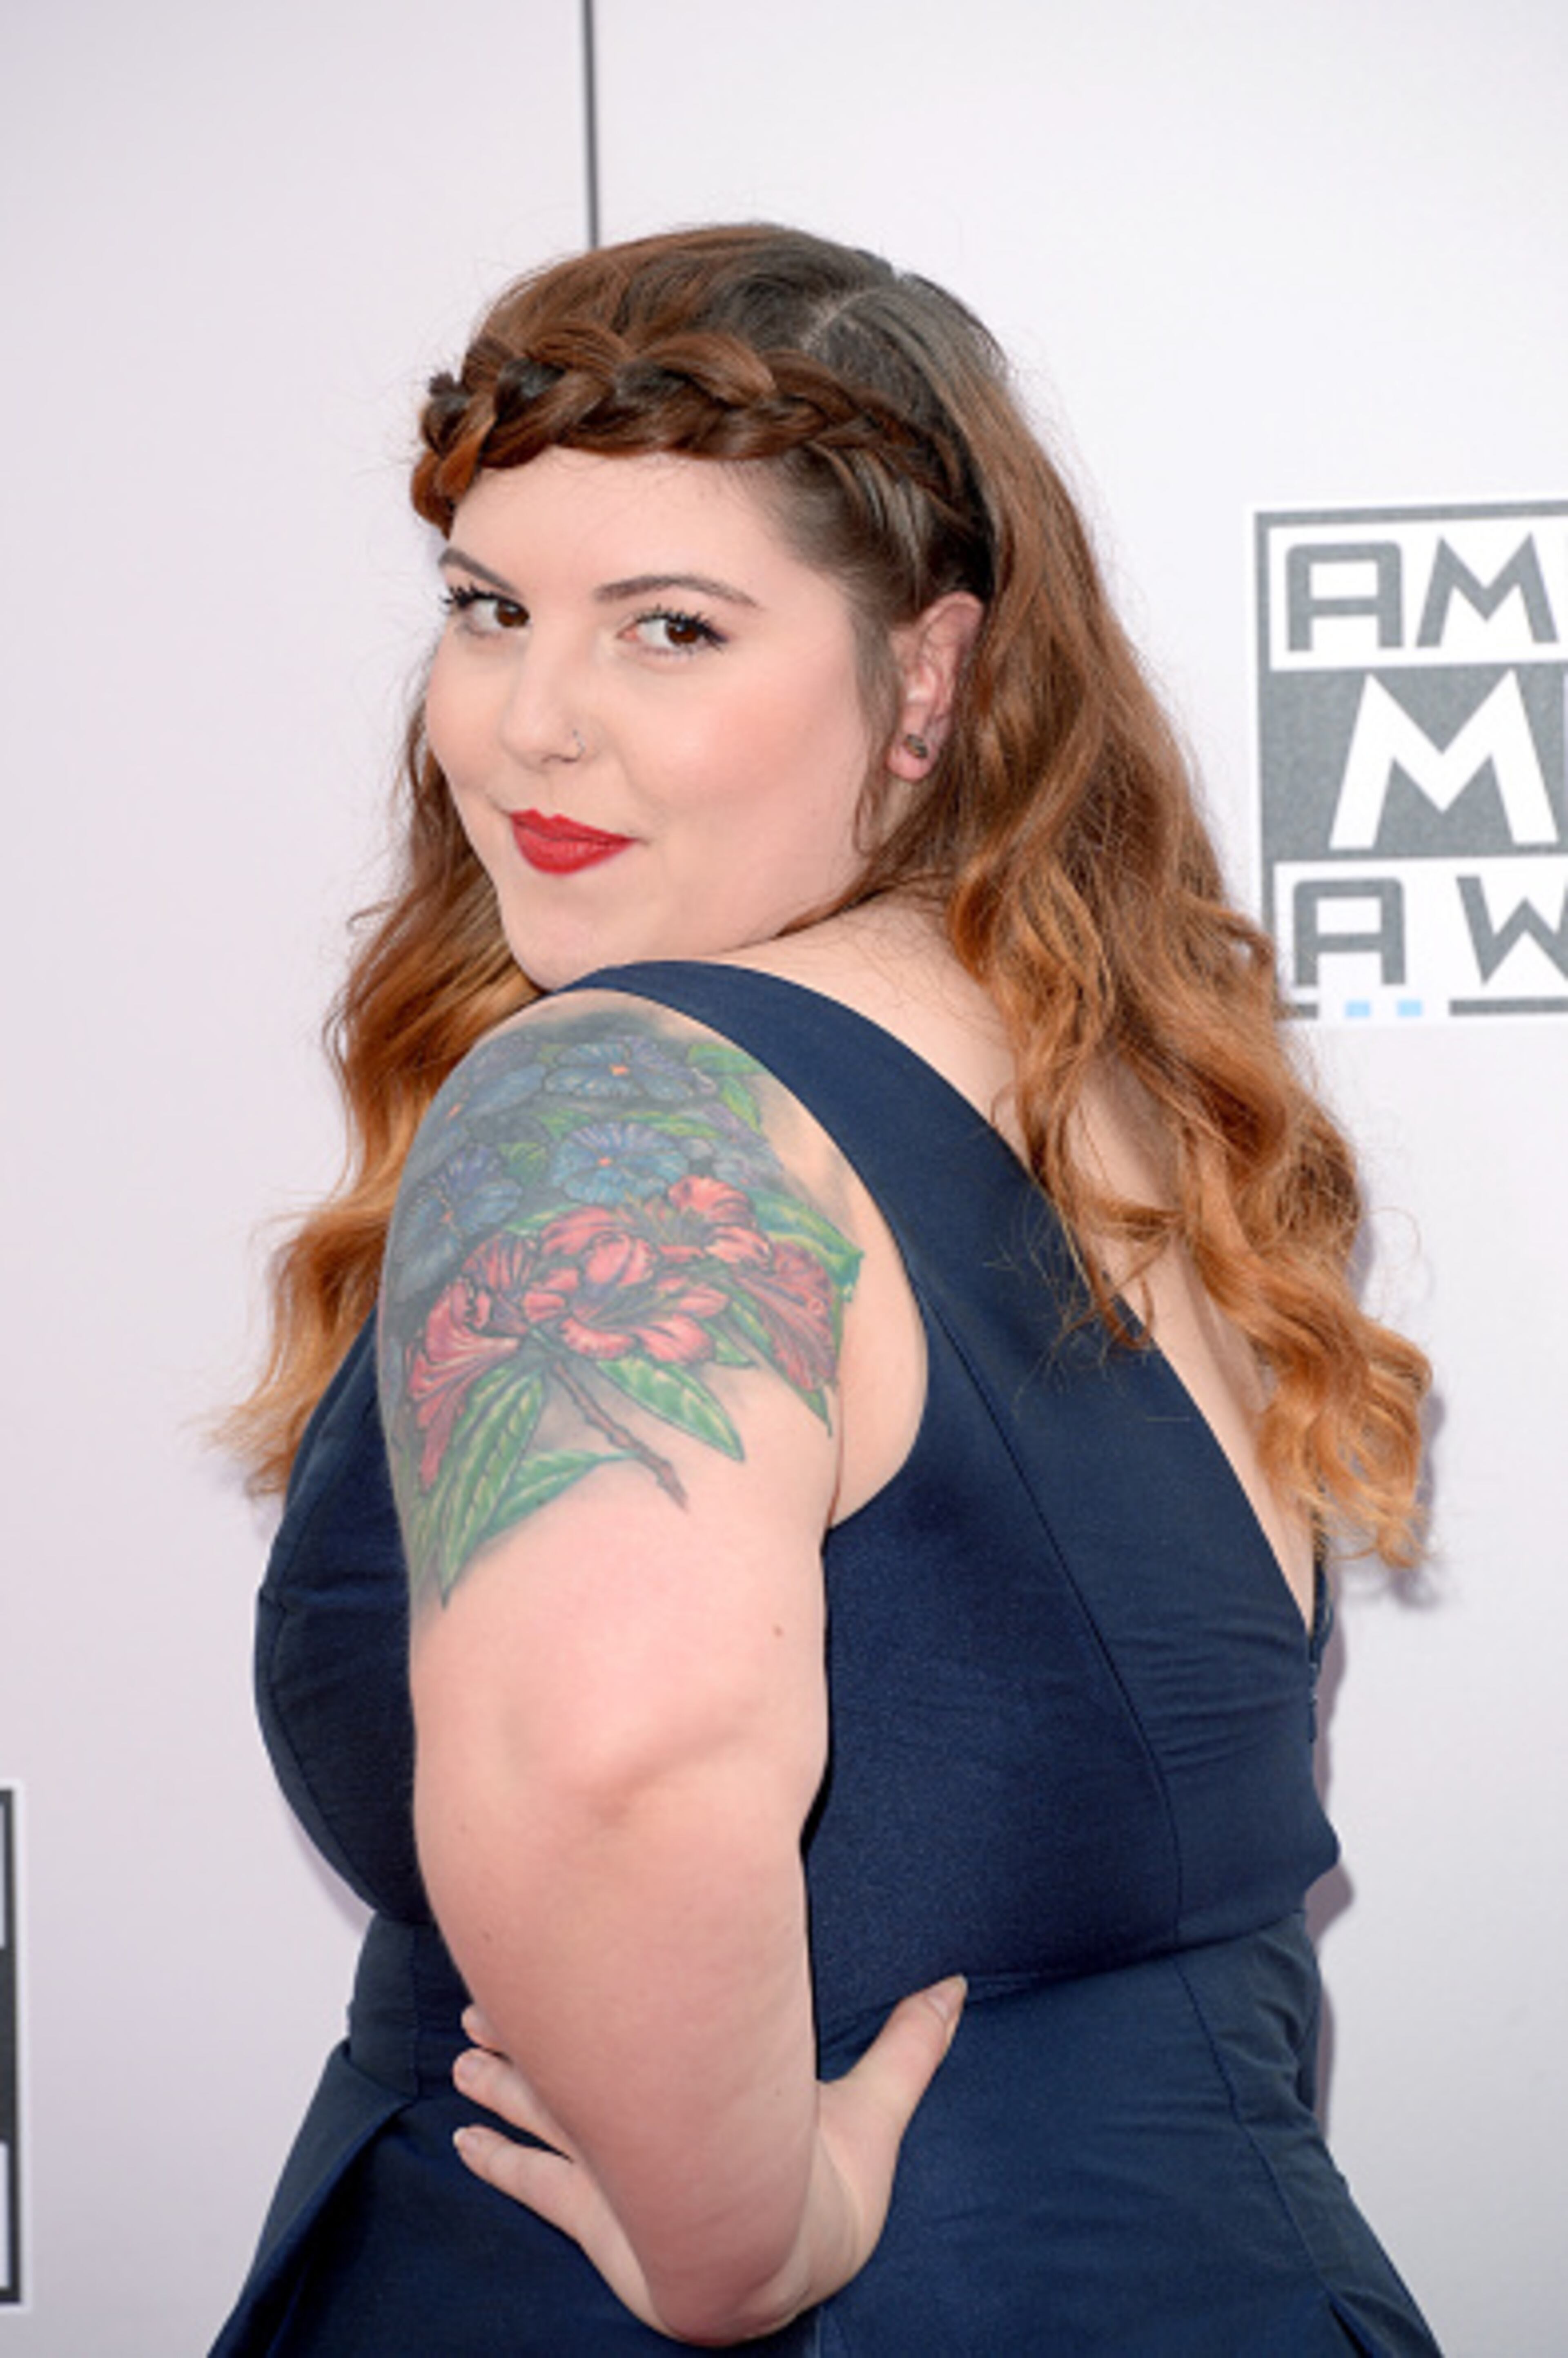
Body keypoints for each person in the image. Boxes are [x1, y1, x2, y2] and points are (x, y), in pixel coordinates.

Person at [212, 224, 1439, 2354]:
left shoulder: (627, 1096)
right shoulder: (1132, 1111)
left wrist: (739, 2248)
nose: (529, 723)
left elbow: (611, 1755)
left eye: (672, 629)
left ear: (929, 677)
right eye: (489, 611)